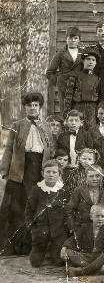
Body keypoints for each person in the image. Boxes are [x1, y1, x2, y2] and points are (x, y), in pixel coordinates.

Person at [0, 92, 52, 255]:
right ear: (25, 107)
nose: (32, 108)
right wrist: (5, 168)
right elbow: (9, 148)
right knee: (15, 206)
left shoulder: (45, 126)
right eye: (29, 105)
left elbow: (50, 149)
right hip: (20, 168)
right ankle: (9, 246)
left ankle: (30, 246)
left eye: (35, 105)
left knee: (35, 205)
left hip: (39, 169)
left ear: (40, 107)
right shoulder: (17, 125)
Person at [25, 160, 68, 267]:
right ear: (42, 173)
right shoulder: (36, 189)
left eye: (54, 172)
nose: (51, 175)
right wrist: (31, 227)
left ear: (59, 174)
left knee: (59, 262)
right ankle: (41, 252)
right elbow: (29, 209)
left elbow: (68, 210)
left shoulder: (63, 190)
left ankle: (53, 253)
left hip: (58, 230)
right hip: (40, 229)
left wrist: (66, 227)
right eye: (48, 172)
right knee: (35, 263)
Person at [61, 204, 104, 276]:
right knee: (68, 252)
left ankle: (81, 271)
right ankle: (97, 268)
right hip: (88, 256)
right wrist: (63, 249)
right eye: (97, 216)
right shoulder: (84, 227)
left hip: (101, 256)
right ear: (91, 217)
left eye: (102, 216)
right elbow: (73, 239)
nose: (100, 219)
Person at [46, 27, 82, 116]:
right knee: (65, 110)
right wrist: (59, 81)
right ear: (66, 39)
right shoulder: (60, 54)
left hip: (79, 86)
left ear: (79, 40)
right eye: (70, 38)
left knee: (78, 111)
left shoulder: (83, 53)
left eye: (75, 38)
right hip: (64, 86)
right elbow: (50, 72)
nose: (72, 41)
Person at [63, 48, 101, 128]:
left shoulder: (97, 79)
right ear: (83, 61)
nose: (90, 62)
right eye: (88, 59)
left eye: (93, 60)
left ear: (96, 63)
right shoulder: (75, 76)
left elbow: (99, 98)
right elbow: (68, 97)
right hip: (78, 109)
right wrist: (67, 114)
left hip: (92, 110)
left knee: (91, 133)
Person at [65, 165, 104, 232]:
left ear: (101, 177)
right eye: (91, 176)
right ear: (86, 177)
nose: (94, 179)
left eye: (97, 176)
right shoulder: (79, 191)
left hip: (100, 229)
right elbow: (69, 209)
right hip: (81, 227)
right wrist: (73, 227)